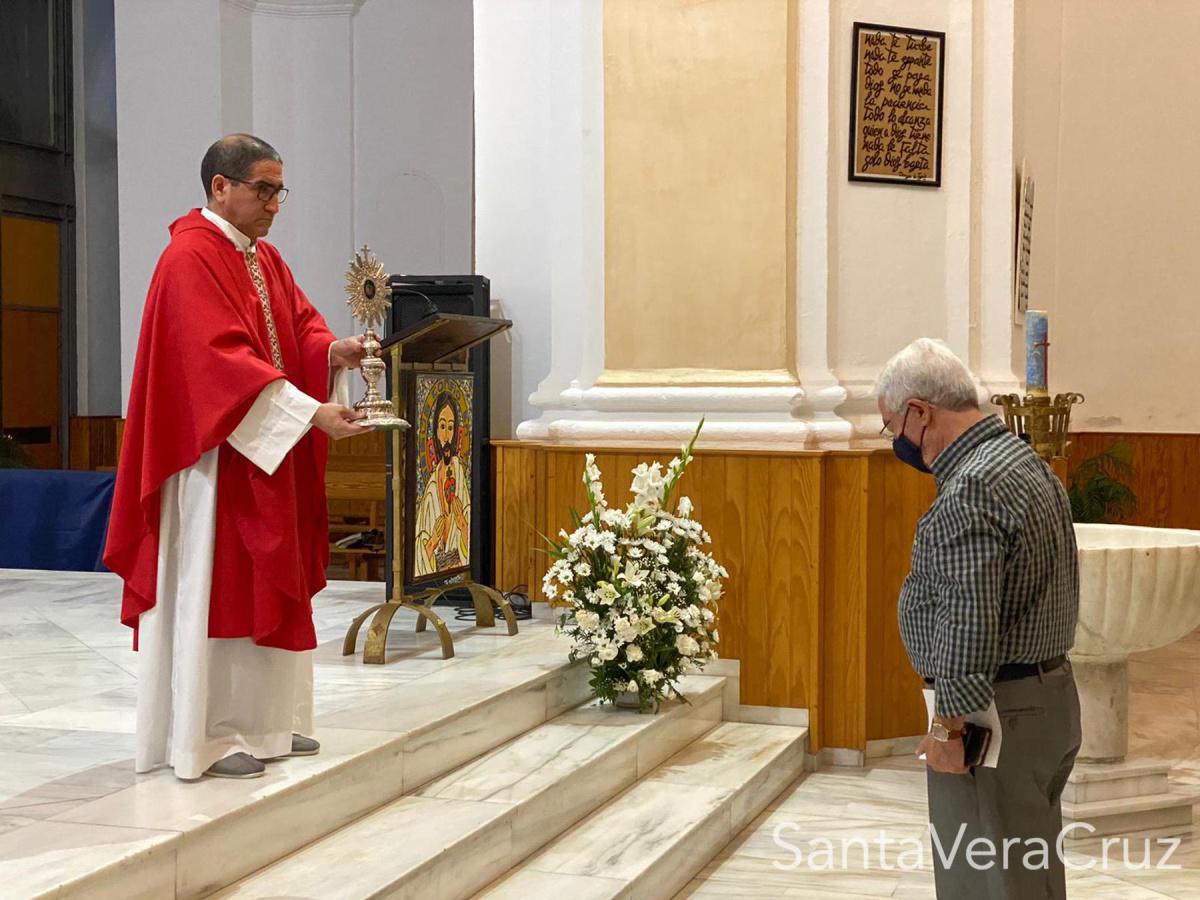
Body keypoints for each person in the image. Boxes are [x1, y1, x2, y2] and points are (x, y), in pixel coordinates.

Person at [105, 134, 371, 780]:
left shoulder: (264, 259)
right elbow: (218, 362)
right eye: (264, 188)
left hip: (263, 454)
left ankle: (270, 725)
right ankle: (208, 735)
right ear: (220, 187)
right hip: (213, 463)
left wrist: (333, 352)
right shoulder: (188, 259)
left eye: (280, 189)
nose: (276, 202)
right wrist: (310, 413)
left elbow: (297, 327)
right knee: (219, 591)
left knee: (266, 588)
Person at [875, 338, 1080, 899]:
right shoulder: (1024, 462)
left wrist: (950, 728)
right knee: (1029, 874)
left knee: (984, 881)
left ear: (921, 412)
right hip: (1049, 699)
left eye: (892, 426)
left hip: (994, 717)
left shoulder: (970, 488)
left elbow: (969, 619)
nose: (896, 441)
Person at [414, 391, 470, 577]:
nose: (446, 435)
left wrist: (463, 527)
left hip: (458, 565)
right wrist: (432, 543)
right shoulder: (430, 490)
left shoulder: (459, 473)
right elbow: (420, 545)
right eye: (442, 426)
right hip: (436, 565)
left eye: (451, 427)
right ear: (435, 431)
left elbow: (467, 521)